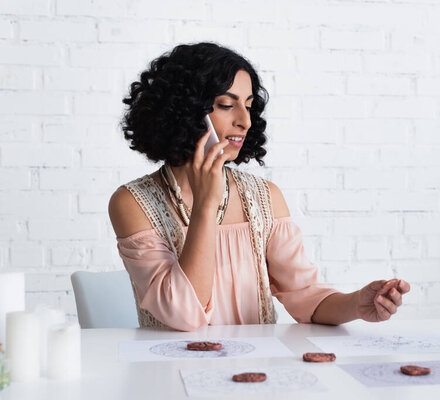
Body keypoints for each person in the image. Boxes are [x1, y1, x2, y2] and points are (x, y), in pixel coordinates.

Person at [108, 42, 410, 331]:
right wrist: (205, 205)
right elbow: (185, 314)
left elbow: (306, 296)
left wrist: (357, 304)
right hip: (169, 375)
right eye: (226, 104)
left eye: (249, 106)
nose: (245, 121)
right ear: (184, 111)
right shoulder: (132, 203)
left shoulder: (265, 197)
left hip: (257, 371)